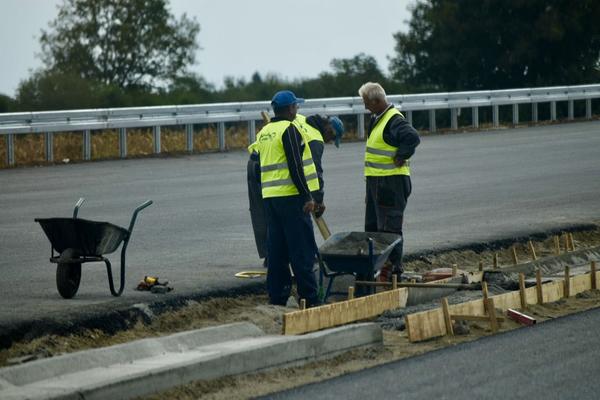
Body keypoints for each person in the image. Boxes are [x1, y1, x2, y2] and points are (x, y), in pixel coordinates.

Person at [251, 90, 322, 307]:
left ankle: (277, 298)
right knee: (301, 250)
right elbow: (296, 166)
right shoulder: (289, 130)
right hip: (292, 199)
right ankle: (309, 299)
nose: (297, 110)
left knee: (277, 251)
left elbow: (256, 168)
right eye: (296, 107)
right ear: (290, 109)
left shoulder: (264, 132)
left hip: (271, 199)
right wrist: (307, 196)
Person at [247, 113, 344, 266]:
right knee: (295, 214)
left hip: (259, 163)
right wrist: (317, 199)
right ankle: (300, 256)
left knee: (267, 214)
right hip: (267, 167)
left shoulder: (300, 119)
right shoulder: (315, 139)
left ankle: (274, 257)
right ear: (330, 130)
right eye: (332, 138)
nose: (330, 141)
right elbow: (314, 172)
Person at [358, 82, 420, 282]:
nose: (365, 106)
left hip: (390, 183)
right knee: (374, 227)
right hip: (377, 182)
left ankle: (393, 272)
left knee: (390, 229)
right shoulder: (377, 118)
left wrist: (401, 155)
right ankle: (378, 270)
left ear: (377, 101)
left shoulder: (393, 120)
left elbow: (412, 137)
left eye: (367, 102)